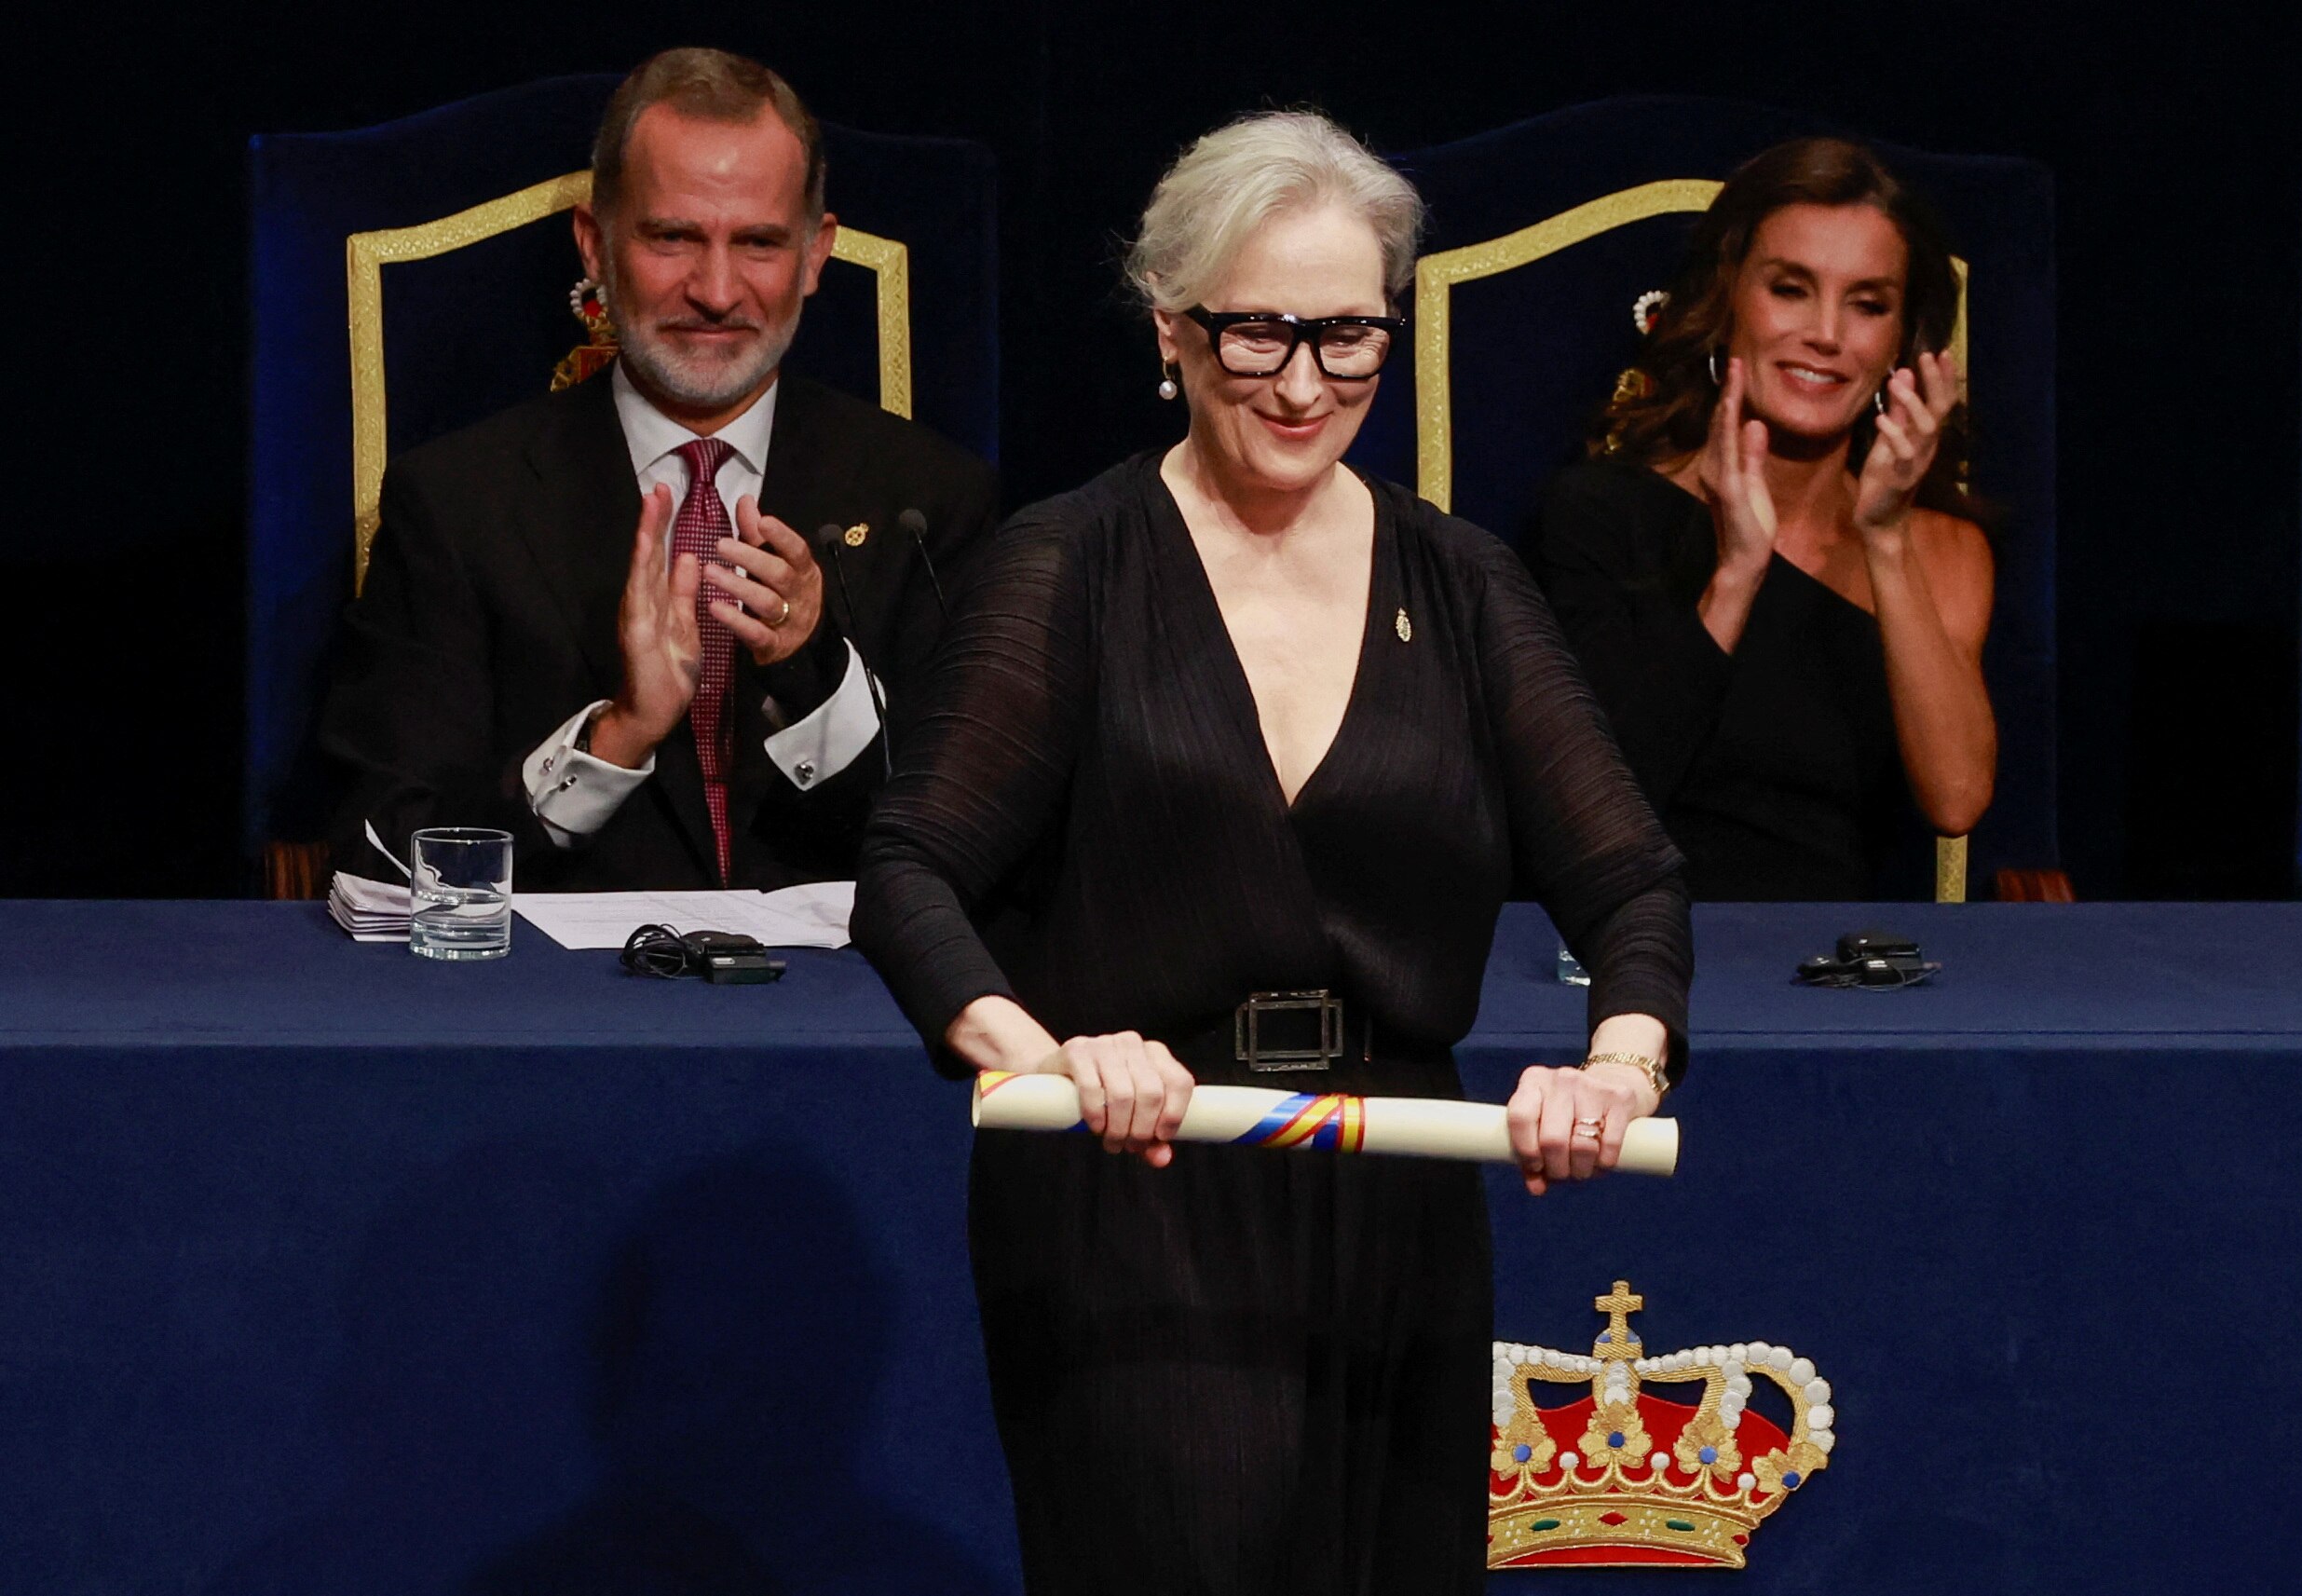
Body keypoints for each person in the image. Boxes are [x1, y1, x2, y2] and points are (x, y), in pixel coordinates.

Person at [851, 111, 1692, 1594]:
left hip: (1399, 1197)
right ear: (1171, 330)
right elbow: (909, 873)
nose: (1304, 386)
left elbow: (1628, 879)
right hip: (1136, 1200)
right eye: (1257, 338)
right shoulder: (1066, 570)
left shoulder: (1463, 579)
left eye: (1347, 339)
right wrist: (1042, 1053)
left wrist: (1616, 1065)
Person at [320, 48, 997, 891]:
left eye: (757, 242)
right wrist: (617, 737)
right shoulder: (457, 505)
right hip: (569, 1010)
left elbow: (980, 846)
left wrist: (817, 675)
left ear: (816, 254)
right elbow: (379, 856)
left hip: (842, 1008)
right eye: (673, 238)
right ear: (595, 246)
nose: (716, 290)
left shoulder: (928, 504)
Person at [1529, 137, 1996, 901]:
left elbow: (1957, 798)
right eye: (1791, 288)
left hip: (1825, 982)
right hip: (1624, 963)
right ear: (1728, 300)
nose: (1827, 334)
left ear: (1900, 341)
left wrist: (1884, 536)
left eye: (1868, 304)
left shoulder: (1945, 549)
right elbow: (1592, 813)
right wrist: (1737, 574)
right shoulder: (1597, 514)